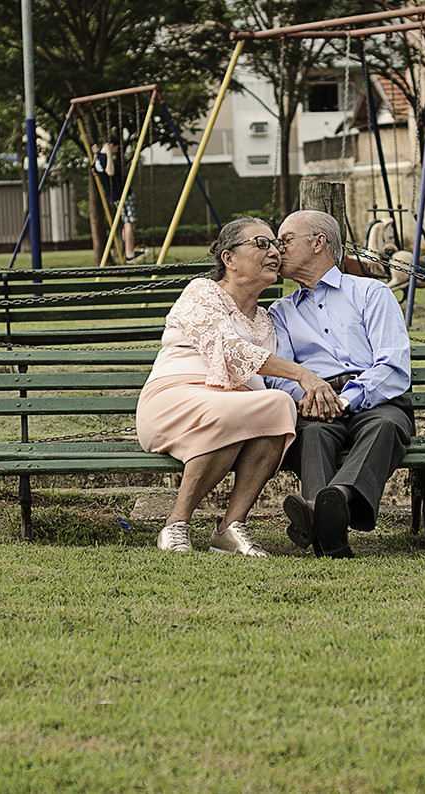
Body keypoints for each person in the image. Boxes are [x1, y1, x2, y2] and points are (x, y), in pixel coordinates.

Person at [136, 216, 340, 556]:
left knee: (278, 405)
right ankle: (176, 523)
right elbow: (229, 350)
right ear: (228, 259)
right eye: (261, 244)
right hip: (173, 399)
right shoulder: (202, 292)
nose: (274, 251)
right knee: (235, 410)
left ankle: (230, 527)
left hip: (231, 407)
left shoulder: (266, 320)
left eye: (276, 244)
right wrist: (304, 376)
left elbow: (268, 382)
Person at [265, 210, 414, 559]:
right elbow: (277, 375)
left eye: (285, 240)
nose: (276, 249)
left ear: (319, 243)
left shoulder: (371, 293)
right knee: (312, 433)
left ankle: (326, 504)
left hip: (375, 397)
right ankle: (330, 526)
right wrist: (307, 397)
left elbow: (393, 365)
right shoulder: (280, 312)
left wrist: (345, 398)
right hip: (313, 403)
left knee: (386, 426)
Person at [93, 136, 143, 264]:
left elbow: (95, 170)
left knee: (128, 221)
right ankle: (130, 254)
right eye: (116, 147)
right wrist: (109, 155)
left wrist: (95, 154)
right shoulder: (105, 158)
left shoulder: (98, 158)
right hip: (122, 195)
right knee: (130, 222)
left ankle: (128, 250)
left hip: (117, 196)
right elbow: (110, 172)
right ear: (111, 146)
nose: (117, 150)